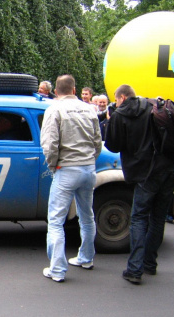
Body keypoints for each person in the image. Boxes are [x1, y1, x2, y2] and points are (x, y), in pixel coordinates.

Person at [104, 84, 174, 284]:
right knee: (158, 217)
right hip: (169, 167)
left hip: (145, 171)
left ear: (122, 98)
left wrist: (110, 124)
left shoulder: (120, 114)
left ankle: (134, 269)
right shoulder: (154, 105)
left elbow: (112, 145)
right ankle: (150, 263)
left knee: (139, 217)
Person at [40, 75, 102, 282]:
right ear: (74, 90)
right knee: (87, 215)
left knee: (56, 221)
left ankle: (57, 269)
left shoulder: (54, 109)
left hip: (66, 169)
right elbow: (98, 142)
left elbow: (49, 144)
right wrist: (90, 160)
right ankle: (86, 258)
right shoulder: (90, 109)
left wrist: (53, 165)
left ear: (56, 92)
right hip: (88, 168)